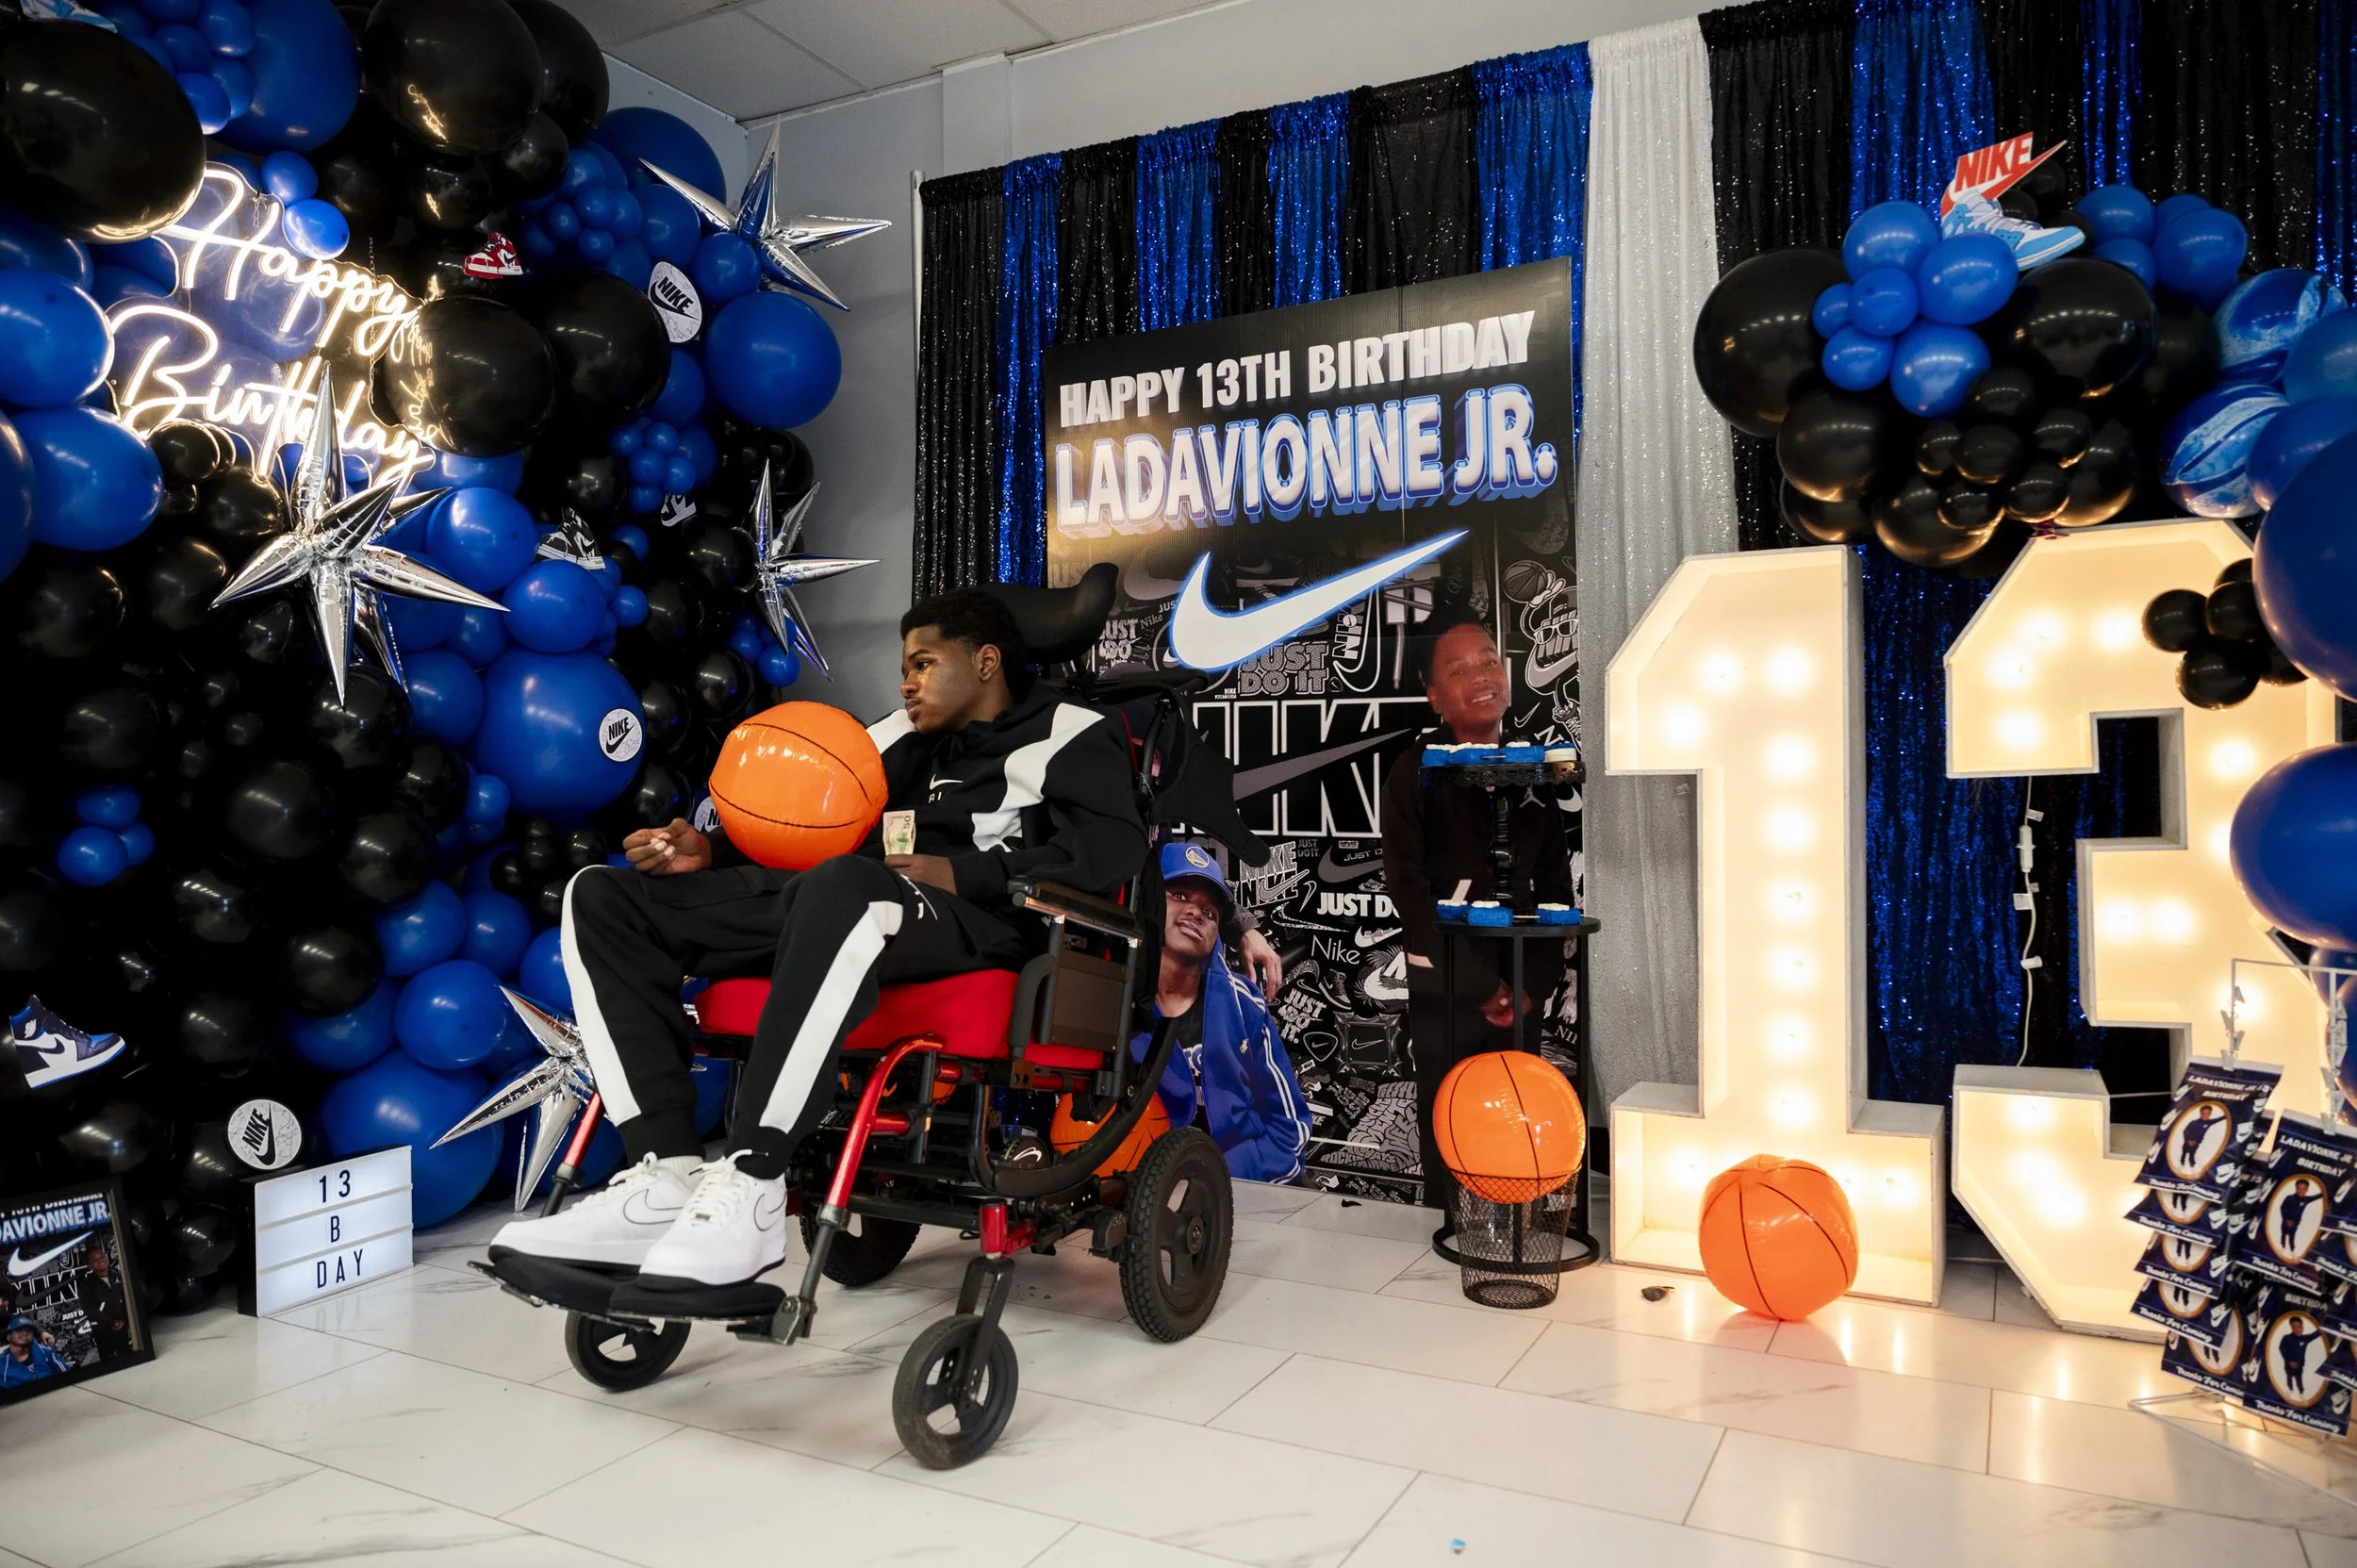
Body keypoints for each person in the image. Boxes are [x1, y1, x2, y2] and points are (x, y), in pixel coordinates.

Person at [493, 589, 1148, 1291]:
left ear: (985, 661)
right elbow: (806, 824)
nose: (906, 681)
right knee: (604, 896)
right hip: (851, 902)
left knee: (843, 886)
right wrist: (710, 854)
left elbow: (1112, 851)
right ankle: (666, 1176)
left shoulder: (1073, 731)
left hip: (986, 925)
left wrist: (963, 872)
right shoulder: (893, 738)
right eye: (905, 666)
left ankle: (753, 1176)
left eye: (924, 663)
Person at [1379, 619, 1576, 1213]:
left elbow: (1554, 883)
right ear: (1435, 697)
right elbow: (1407, 886)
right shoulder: (1412, 770)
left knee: (1518, 1101)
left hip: (1520, 979)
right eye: (1458, 671)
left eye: (1489, 662)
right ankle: (1449, 1221)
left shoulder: (1535, 766)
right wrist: (1480, 984)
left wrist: (1527, 987)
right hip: (1446, 978)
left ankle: (1519, 1209)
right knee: (1449, 1102)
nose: (1480, 678)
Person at [1133, 842, 1311, 1182]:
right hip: (1150, 1192)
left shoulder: (1245, 1005)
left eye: (1210, 912)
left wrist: (1221, 1180)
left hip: (1246, 1185)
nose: (1196, 913)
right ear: (1150, 902)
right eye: (1180, 895)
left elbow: (1289, 1128)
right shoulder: (1116, 1008)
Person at [75, 1240, 130, 1361]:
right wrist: (111, 1323)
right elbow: (89, 1309)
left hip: (124, 1328)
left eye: (102, 1256)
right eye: (95, 1260)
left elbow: (129, 1300)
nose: (100, 1260)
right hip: (103, 1332)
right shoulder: (86, 1284)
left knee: (128, 1358)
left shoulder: (119, 1275)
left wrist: (124, 1320)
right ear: (90, 1265)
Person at [0, 1315, 69, 1388]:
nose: (24, 1333)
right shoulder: (2, 1364)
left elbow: (67, 1377)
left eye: (28, 1330)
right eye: (19, 1329)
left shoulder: (46, 1352)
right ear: (8, 1336)